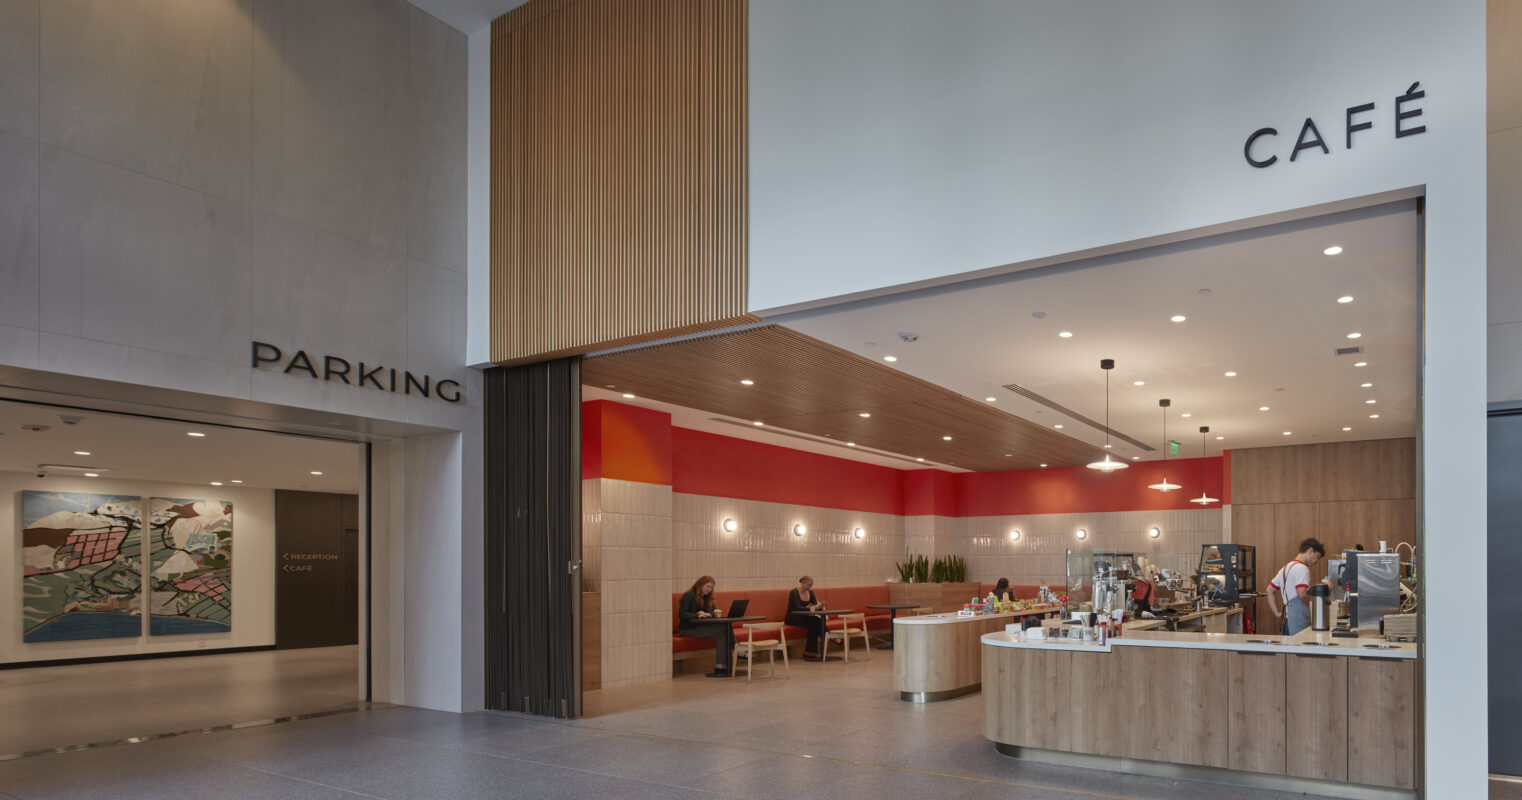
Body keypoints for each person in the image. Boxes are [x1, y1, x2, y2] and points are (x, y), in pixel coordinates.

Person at [1268, 538, 1326, 635]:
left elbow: (1270, 590)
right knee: (1299, 649)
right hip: (1298, 621)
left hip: (1287, 620)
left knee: (1290, 649)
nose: (1316, 561)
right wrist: (1323, 588)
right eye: (1317, 557)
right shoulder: (1301, 568)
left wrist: (1278, 614)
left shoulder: (1286, 568)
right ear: (1310, 550)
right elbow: (1302, 593)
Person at [679, 575, 732, 675]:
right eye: (707, 586)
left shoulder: (708, 598)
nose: (709, 589)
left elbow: (714, 611)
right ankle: (739, 651)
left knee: (723, 632)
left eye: (711, 587)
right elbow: (682, 614)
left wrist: (709, 614)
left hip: (701, 627)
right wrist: (697, 615)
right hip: (688, 628)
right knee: (724, 628)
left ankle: (720, 665)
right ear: (700, 585)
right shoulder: (689, 596)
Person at [786, 575, 827, 660]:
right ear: (803, 583)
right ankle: (828, 635)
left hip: (805, 617)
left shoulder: (811, 592)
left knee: (813, 626)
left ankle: (809, 653)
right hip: (794, 618)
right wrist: (814, 608)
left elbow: (815, 604)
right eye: (808, 585)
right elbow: (798, 607)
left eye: (811, 585)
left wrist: (819, 607)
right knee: (815, 621)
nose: (810, 587)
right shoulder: (794, 592)